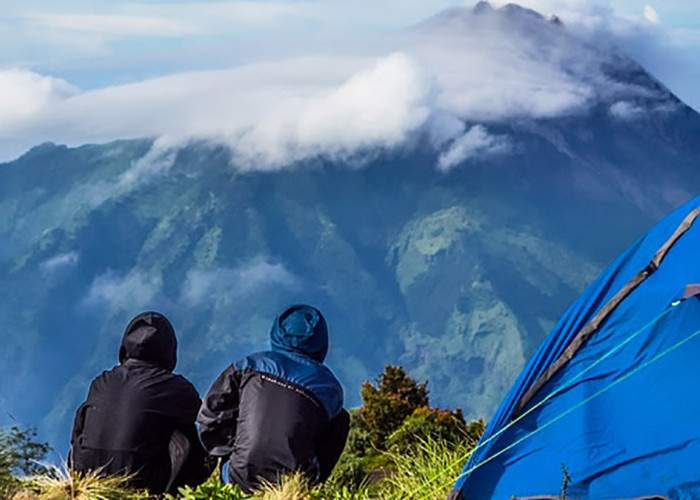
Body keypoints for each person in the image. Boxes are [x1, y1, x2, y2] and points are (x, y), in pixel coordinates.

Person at [198, 304, 349, 493]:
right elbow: (327, 442)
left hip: (239, 476)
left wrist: (231, 452)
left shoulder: (247, 366)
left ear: (277, 332)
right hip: (293, 483)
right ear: (321, 341)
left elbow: (211, 416)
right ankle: (307, 485)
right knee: (340, 418)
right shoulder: (330, 387)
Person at [70, 311, 208, 493]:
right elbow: (209, 420)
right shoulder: (176, 387)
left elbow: (79, 428)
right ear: (169, 350)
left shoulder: (101, 381)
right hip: (140, 481)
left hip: (87, 477)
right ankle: (179, 495)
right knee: (191, 435)